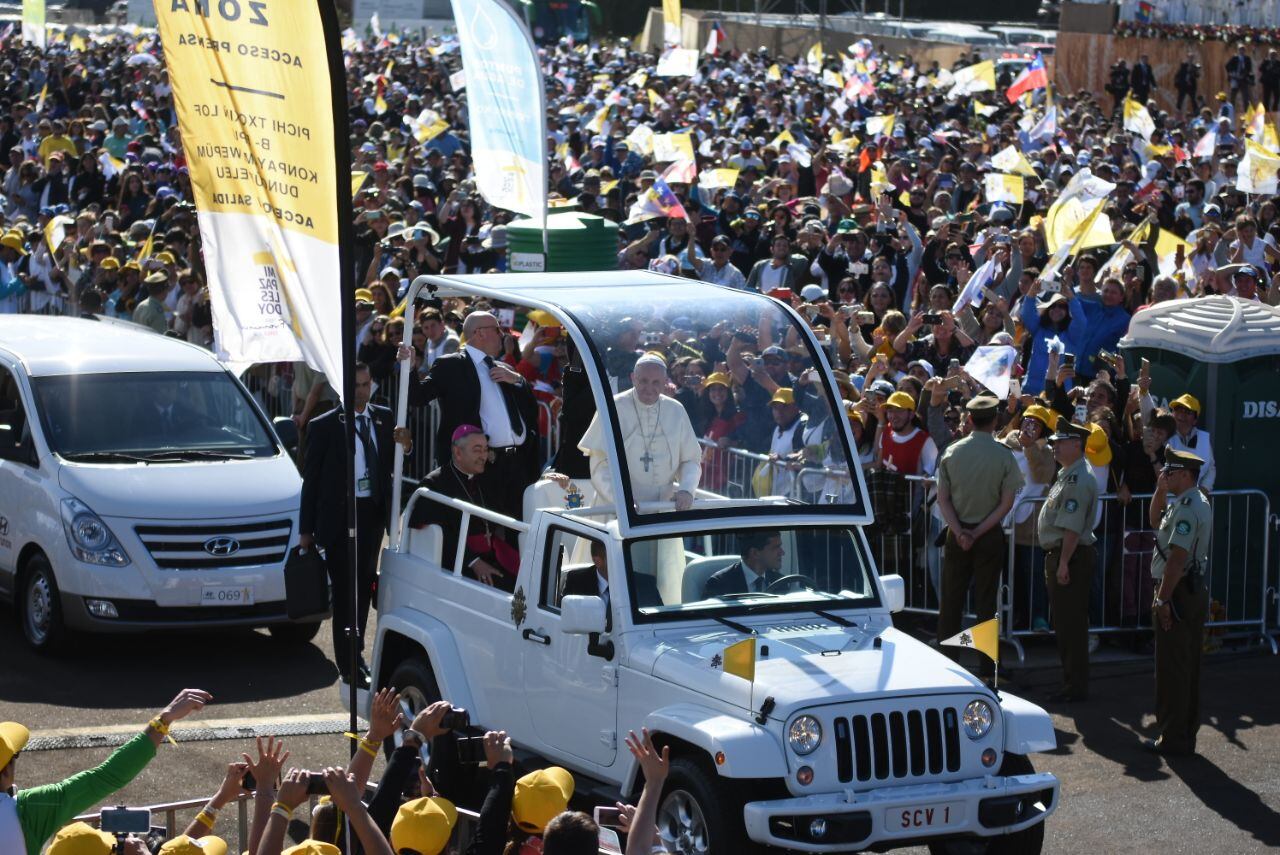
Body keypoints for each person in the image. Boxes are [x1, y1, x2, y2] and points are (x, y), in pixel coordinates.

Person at [299, 363, 412, 686]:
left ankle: (358, 651)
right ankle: (348, 663)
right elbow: (312, 481)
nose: (361, 391)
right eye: (355, 385)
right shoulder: (324, 426)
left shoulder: (384, 417)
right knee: (346, 589)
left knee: (364, 587)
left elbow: (398, 464)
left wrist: (407, 445)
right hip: (339, 518)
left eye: (366, 384)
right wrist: (306, 531)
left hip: (371, 513)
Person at [2, 688, 212, 855]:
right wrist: (163, 720)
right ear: (4, 773)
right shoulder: (29, 810)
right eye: (15, 757)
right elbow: (108, 775)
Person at [406, 310, 541, 517]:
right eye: (498, 330)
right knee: (483, 530)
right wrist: (409, 367)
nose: (503, 336)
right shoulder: (451, 365)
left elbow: (531, 410)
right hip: (482, 464)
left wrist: (518, 381)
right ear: (480, 333)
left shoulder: (503, 367)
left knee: (519, 530)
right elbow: (418, 397)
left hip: (517, 464)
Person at [934, 395, 1024, 679]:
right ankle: (987, 668)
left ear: (969, 419)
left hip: (957, 532)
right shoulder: (1004, 455)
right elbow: (1006, 503)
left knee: (951, 600)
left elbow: (943, 500)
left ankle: (948, 665)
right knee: (987, 602)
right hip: (987, 535)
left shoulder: (951, 452)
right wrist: (977, 531)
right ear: (995, 420)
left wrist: (961, 532)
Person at [1145, 447, 1212, 756]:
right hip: (1187, 589)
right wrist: (1160, 490)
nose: (1164, 476)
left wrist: (1162, 600)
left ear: (1186, 475)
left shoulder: (1187, 507)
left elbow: (1176, 559)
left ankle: (1174, 738)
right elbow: (1155, 519)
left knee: (1173, 668)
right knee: (1187, 665)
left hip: (1179, 590)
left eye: (1169, 473)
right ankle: (1184, 735)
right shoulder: (1190, 501)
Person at [578, 353, 701, 514]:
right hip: (617, 508)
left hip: (663, 508)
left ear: (665, 382)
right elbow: (599, 464)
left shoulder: (676, 410)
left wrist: (686, 489)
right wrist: (620, 500)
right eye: (643, 381)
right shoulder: (613, 407)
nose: (649, 388)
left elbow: (690, 459)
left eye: (656, 382)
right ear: (633, 378)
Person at [411, 425, 520, 589]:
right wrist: (474, 562)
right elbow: (441, 534)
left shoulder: (484, 477)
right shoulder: (435, 484)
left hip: (490, 554)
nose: (483, 456)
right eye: (477, 450)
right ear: (458, 452)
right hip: (457, 562)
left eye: (485, 450)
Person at [1037, 420, 1099, 703]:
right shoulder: (1068, 473)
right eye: (1054, 441)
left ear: (1077, 444)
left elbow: (1072, 527)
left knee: (1071, 625)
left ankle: (1075, 686)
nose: (1055, 445)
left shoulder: (1078, 478)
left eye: (1061, 441)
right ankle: (1072, 682)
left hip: (1070, 555)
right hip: (1065, 554)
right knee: (1065, 623)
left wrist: (1063, 563)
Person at [703, 529, 785, 597]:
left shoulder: (781, 582)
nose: (782, 552)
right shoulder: (719, 584)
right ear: (755, 553)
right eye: (776, 547)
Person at [1166, 393, 1215, 491]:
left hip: (1194, 500)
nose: (1181, 414)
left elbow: (1210, 468)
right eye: (1178, 410)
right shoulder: (1164, 434)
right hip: (1167, 500)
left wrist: (1204, 490)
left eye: (1187, 412)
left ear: (1195, 420)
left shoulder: (1204, 438)